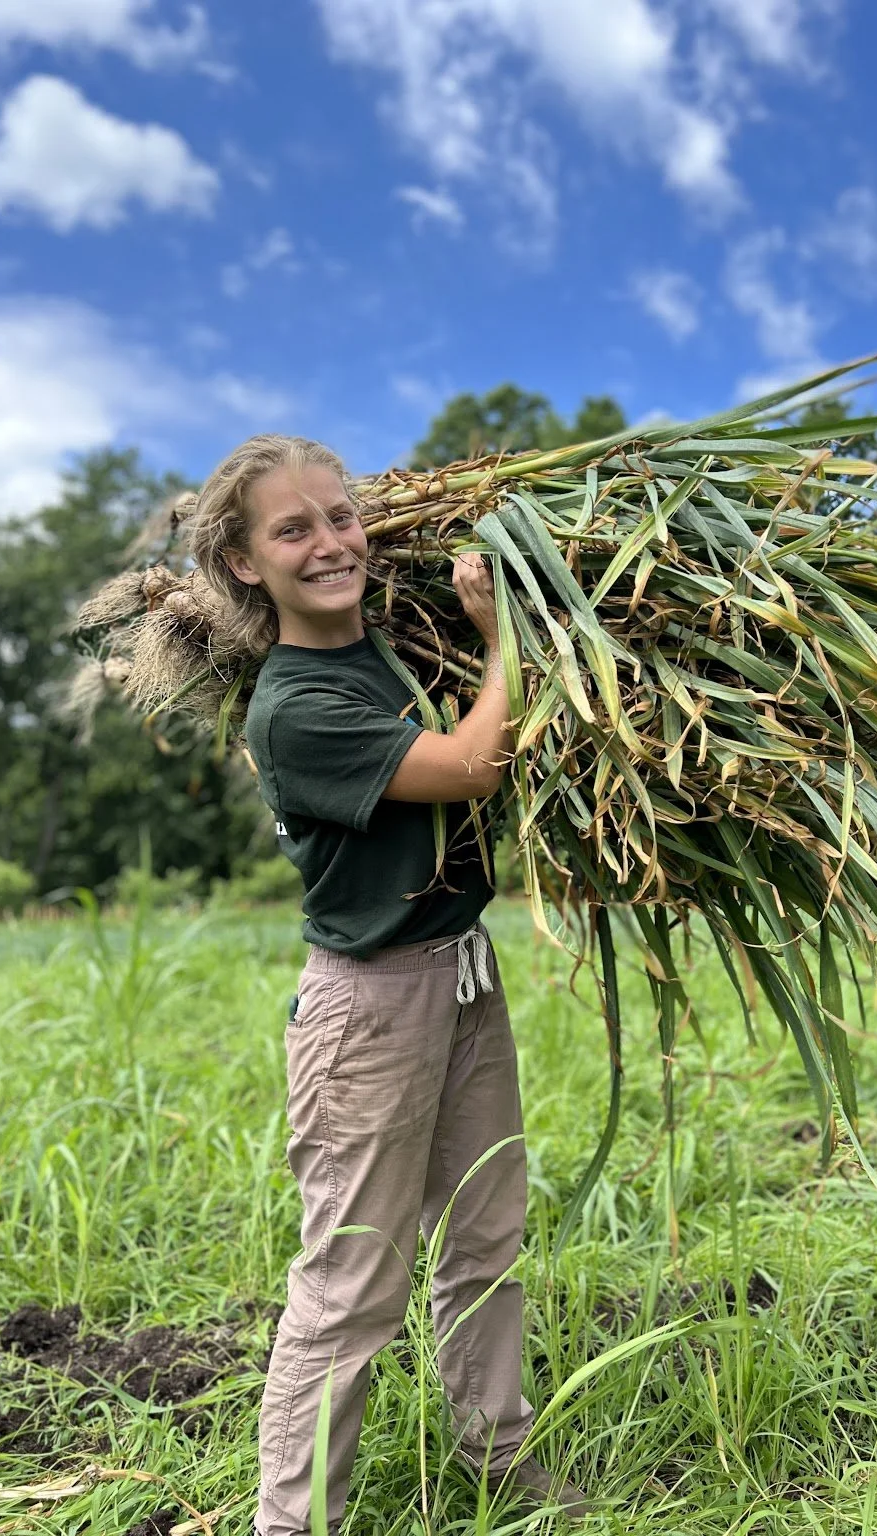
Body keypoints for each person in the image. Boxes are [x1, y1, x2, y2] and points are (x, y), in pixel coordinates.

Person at [182, 435, 591, 1535]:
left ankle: (495, 1455)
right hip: (369, 1010)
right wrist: (511, 642)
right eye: (292, 529)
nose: (330, 543)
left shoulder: (385, 646)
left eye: (341, 516)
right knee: (353, 1283)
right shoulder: (296, 705)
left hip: (462, 971)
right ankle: (292, 1523)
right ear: (241, 566)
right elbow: (469, 766)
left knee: (485, 1235)